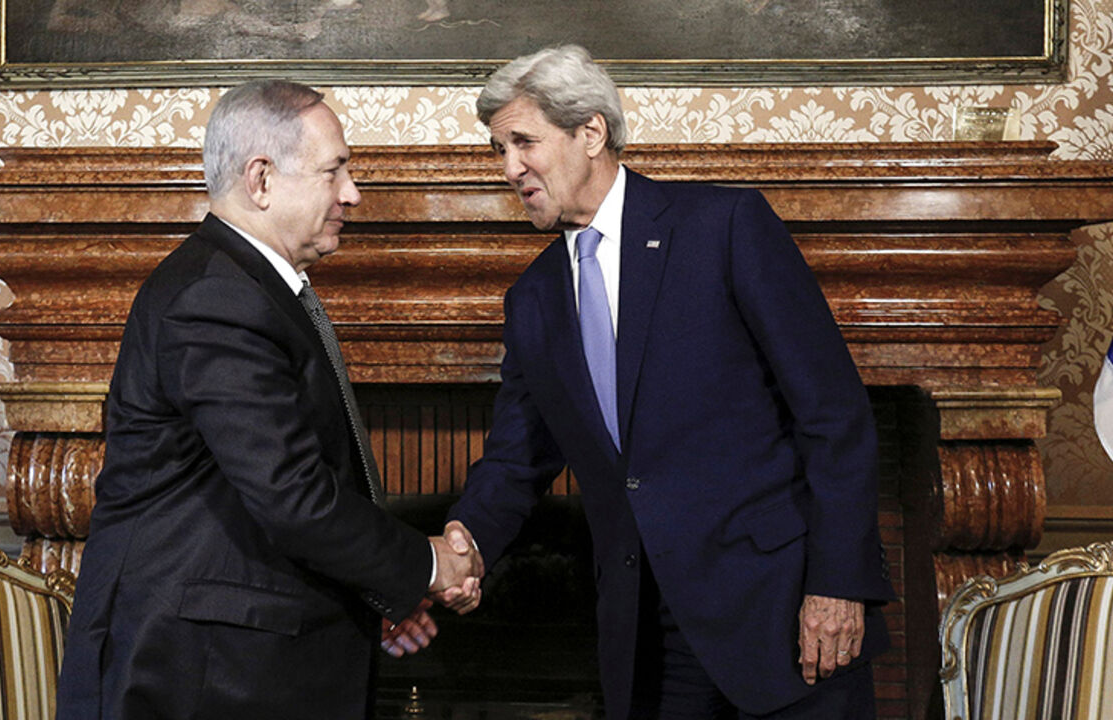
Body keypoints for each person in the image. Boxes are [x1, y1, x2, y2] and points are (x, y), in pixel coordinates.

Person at [441, 45, 895, 719]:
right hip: (649, 640)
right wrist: (466, 541)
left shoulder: (723, 227)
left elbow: (833, 416)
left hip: (786, 617)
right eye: (498, 150)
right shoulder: (533, 299)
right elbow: (517, 457)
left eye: (524, 142)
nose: (510, 168)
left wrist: (838, 584)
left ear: (590, 132)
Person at [55, 79, 482, 719]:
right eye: (334, 171)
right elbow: (292, 495)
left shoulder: (250, 287)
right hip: (196, 674)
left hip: (239, 661)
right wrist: (428, 565)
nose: (352, 194)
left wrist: (380, 588)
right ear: (261, 180)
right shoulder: (215, 298)